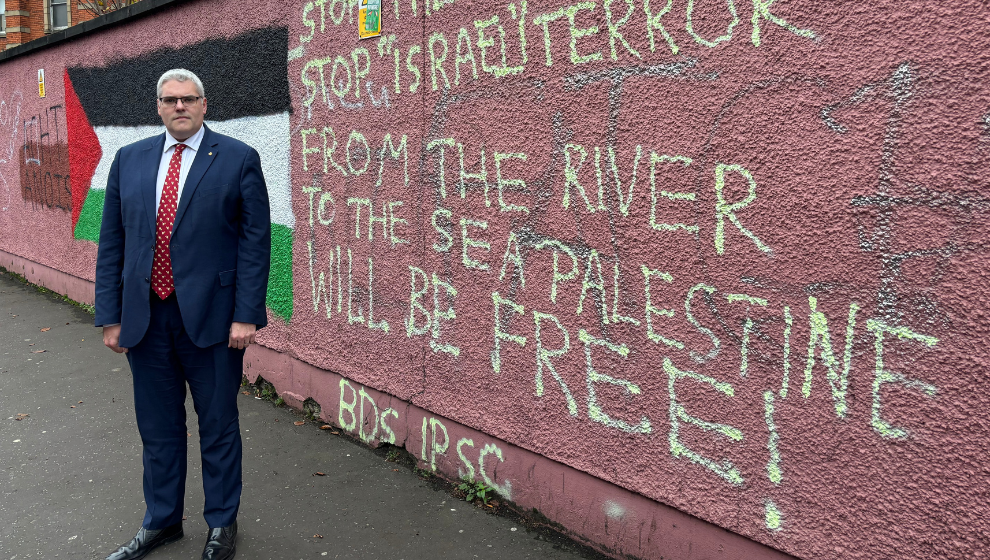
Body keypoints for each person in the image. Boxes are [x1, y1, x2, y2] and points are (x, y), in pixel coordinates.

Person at [94, 68, 270, 560]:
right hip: (146, 321)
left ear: (204, 104)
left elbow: (255, 245)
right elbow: (113, 243)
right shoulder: (129, 160)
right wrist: (111, 315)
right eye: (170, 100)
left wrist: (246, 315)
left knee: (217, 424)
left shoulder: (237, 159)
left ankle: (220, 525)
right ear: (158, 106)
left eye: (188, 99)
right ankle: (162, 521)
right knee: (158, 428)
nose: (179, 107)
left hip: (213, 321)